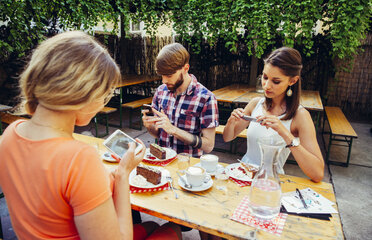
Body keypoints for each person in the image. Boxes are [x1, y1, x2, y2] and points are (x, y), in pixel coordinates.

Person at [0, 31, 181, 239]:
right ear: (84, 94)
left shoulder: (10, 135)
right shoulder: (79, 159)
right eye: (105, 95)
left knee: (149, 225)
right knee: (172, 229)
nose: (103, 102)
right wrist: (123, 174)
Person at [223, 47, 324, 182]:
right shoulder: (255, 104)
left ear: (292, 81)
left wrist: (284, 132)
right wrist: (231, 122)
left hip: (270, 181)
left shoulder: (300, 116)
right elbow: (227, 137)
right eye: (265, 77)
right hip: (242, 175)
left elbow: (317, 174)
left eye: (276, 81)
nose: (266, 86)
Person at [142, 43, 219, 157]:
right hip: (162, 163)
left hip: (189, 168)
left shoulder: (206, 98)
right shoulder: (160, 92)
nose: (163, 81)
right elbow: (158, 134)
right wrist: (149, 126)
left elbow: (208, 146)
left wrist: (174, 130)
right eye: (162, 75)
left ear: (185, 68)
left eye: (169, 75)